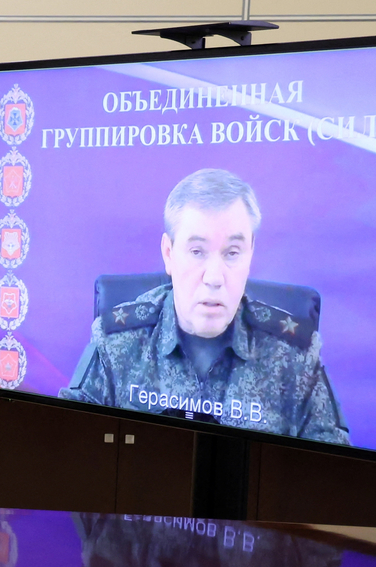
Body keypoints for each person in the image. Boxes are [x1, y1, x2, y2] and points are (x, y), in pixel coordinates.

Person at [60, 168, 349, 445]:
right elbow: (68, 447)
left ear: (251, 254)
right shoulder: (117, 342)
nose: (214, 278)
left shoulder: (294, 357)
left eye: (232, 253)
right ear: (169, 253)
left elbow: (331, 478)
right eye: (197, 251)